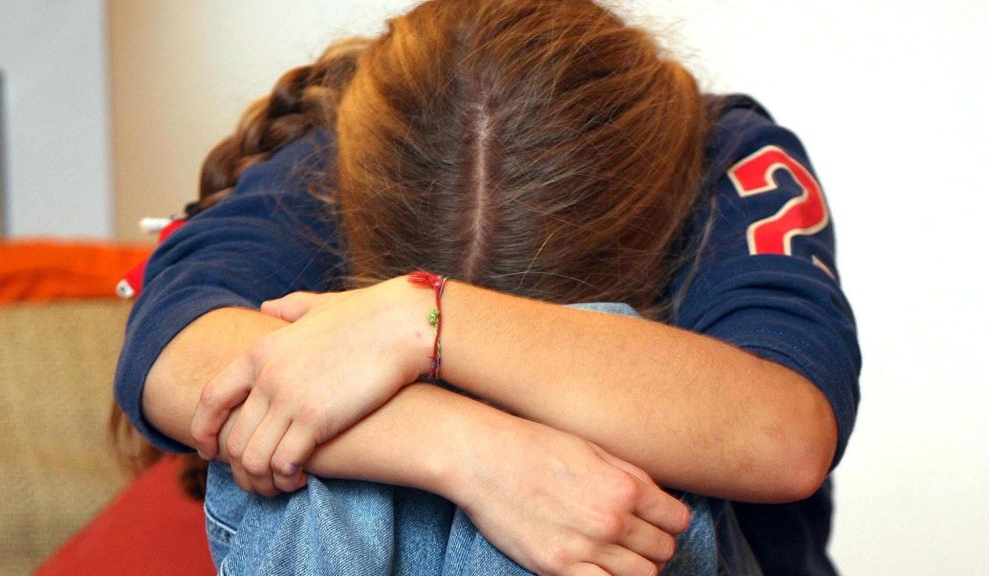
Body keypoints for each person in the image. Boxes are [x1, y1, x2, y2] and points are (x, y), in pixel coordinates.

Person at [112, 0, 860, 574]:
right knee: (303, 389)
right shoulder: (336, 157)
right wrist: (471, 451)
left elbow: (787, 437)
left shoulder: (723, 153)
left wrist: (417, 322)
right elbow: (172, 355)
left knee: (622, 389)